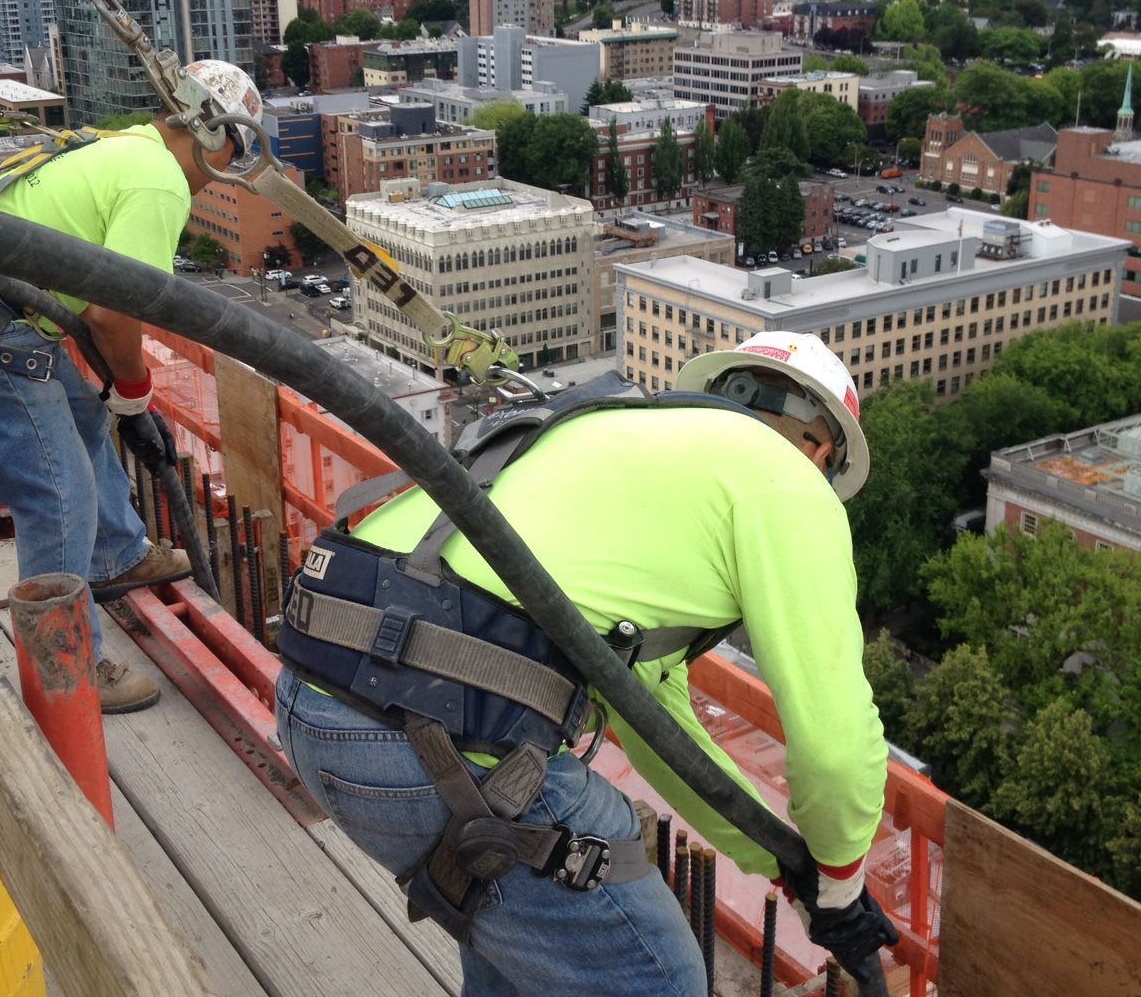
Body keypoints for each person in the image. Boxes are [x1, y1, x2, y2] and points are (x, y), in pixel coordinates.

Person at [275, 332, 894, 993]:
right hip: (436, 745)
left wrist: (783, 864)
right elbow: (836, 750)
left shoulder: (613, 437)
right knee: (660, 980)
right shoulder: (790, 483)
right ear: (821, 451)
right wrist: (841, 881)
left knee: (522, 949)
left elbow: (662, 735)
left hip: (311, 707)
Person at [0, 59, 264, 713]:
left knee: (85, 418)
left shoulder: (122, 144)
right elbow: (112, 313)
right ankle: (66, 667)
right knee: (57, 494)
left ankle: (116, 554)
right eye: (234, 149)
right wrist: (134, 390)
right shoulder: (159, 183)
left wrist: (121, 401)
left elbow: (95, 303)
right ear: (219, 137)